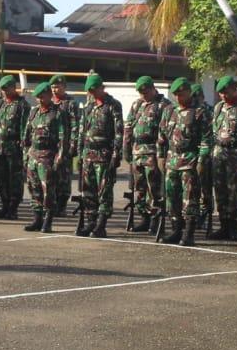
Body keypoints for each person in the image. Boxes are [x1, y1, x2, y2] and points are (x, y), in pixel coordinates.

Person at [158, 77, 214, 246]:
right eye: (176, 95)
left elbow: (206, 139)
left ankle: (188, 233)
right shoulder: (169, 111)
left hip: (190, 160)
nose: (178, 98)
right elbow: (162, 135)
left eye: (181, 94)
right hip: (172, 159)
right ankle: (176, 229)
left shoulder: (200, 112)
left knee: (190, 198)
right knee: (172, 197)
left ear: (189, 92)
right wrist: (161, 155)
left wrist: (202, 161)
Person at [75, 73, 123, 238]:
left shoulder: (113, 105)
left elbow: (119, 132)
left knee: (104, 191)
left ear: (102, 88)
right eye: (90, 91)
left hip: (104, 154)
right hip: (88, 154)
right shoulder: (88, 107)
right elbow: (82, 132)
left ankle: (101, 225)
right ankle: (91, 222)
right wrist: (80, 155)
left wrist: (116, 155)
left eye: (95, 90)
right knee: (88, 191)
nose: (92, 93)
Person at [209, 75, 237, 241]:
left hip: (235, 157)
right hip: (219, 155)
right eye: (220, 93)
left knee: (233, 193)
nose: (223, 96)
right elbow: (214, 130)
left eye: (225, 92)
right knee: (220, 192)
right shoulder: (219, 108)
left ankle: (234, 227)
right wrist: (219, 139)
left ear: (233, 90)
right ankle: (223, 225)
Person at [23, 80, 71, 233]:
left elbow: (63, 139)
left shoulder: (58, 113)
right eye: (38, 97)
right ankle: (37, 219)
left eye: (42, 97)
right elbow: (27, 137)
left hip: (48, 157)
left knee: (48, 191)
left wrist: (59, 159)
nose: (39, 100)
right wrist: (26, 156)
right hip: (33, 156)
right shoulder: (34, 112)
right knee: (34, 188)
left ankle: (48, 221)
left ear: (49, 95)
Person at [123, 76, 169, 233]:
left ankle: (155, 219)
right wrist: (126, 148)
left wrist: (161, 156)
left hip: (153, 152)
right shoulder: (137, 104)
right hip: (137, 151)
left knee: (154, 187)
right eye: (141, 92)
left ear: (152, 88)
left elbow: (165, 131)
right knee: (139, 187)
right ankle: (144, 217)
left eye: (146, 91)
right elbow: (128, 125)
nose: (143, 95)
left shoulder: (163, 105)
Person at [0, 76, 29, 220]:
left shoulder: (22, 105)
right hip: (0, 145)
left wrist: (23, 146)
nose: (4, 92)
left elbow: (25, 127)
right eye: (2, 90)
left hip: (14, 145)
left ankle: (13, 208)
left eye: (6, 89)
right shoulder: (0, 104)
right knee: (1, 177)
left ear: (13, 88)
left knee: (14, 178)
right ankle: (4, 205)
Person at [49, 74, 82, 215]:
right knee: (51, 176)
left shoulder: (70, 103)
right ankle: (52, 204)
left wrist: (73, 146)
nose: (55, 90)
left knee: (63, 177)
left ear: (64, 87)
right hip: (50, 146)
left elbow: (75, 126)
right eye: (53, 87)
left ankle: (61, 206)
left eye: (58, 87)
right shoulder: (49, 102)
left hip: (65, 146)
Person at [192, 83, 215, 230]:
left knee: (204, 185)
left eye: (197, 96)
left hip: (207, 154)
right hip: (189, 154)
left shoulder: (209, 111)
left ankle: (204, 212)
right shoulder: (189, 111)